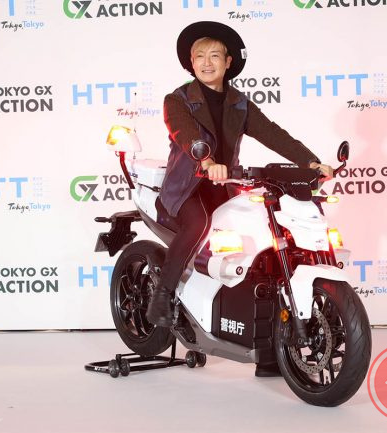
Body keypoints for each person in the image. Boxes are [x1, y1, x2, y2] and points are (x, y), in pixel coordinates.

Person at [146, 21, 333, 377]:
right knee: (197, 224)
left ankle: (267, 348)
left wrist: (310, 162)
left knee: (263, 245)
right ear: (190, 62)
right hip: (187, 188)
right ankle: (163, 296)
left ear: (228, 61)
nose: (207, 63)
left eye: (214, 56)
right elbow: (185, 133)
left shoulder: (239, 103)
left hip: (225, 186)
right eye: (199, 56)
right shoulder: (177, 100)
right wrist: (205, 161)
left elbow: (273, 134)